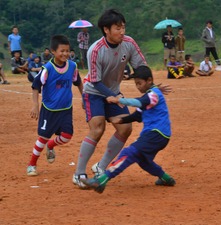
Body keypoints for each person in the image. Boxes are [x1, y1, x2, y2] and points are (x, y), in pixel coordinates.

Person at [73, 9, 170, 189]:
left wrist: (152, 87)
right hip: (94, 92)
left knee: (125, 128)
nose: (122, 32)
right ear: (106, 30)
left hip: (114, 92)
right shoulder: (95, 50)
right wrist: (111, 96)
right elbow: (94, 80)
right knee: (97, 128)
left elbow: (141, 67)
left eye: (123, 27)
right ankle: (79, 173)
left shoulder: (129, 43)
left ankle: (101, 167)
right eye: (118, 28)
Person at [81, 65, 176, 193]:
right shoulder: (149, 96)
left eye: (139, 83)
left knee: (129, 153)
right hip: (157, 135)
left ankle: (101, 180)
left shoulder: (153, 94)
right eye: (136, 84)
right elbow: (137, 115)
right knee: (143, 160)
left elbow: (139, 103)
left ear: (149, 80)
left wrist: (119, 100)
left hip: (157, 133)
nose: (138, 86)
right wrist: (120, 120)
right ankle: (166, 178)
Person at [26, 34, 83, 176]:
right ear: (53, 51)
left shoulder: (72, 66)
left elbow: (78, 82)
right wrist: (35, 105)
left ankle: (51, 145)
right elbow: (35, 86)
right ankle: (32, 164)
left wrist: (84, 98)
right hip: (49, 109)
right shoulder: (48, 69)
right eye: (61, 51)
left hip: (66, 109)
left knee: (67, 136)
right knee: (43, 137)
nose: (65, 54)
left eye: (67, 51)